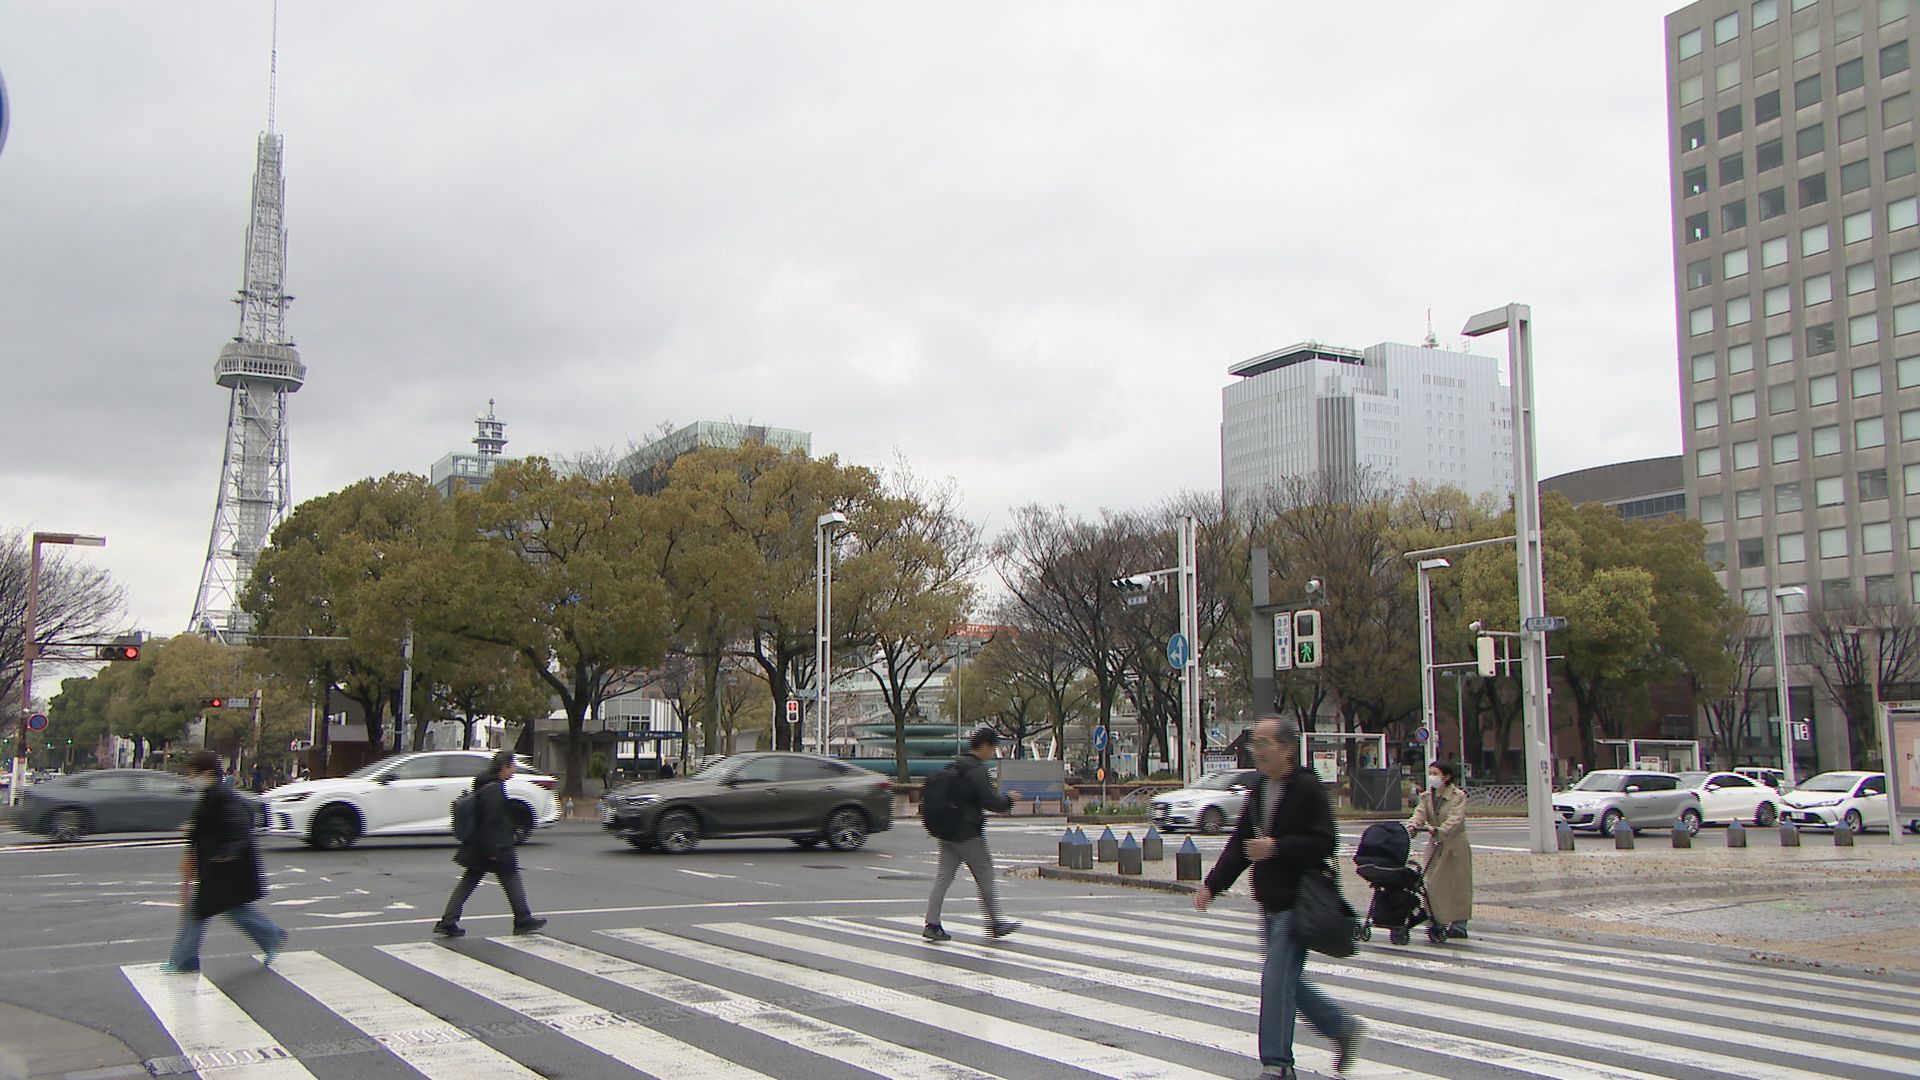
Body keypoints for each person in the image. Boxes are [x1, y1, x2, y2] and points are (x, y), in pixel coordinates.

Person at [1194, 717, 1362, 1080]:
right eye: (1254, 743)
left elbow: (1324, 842)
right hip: (1269, 900)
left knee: (1275, 980)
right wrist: (1212, 885)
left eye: (1264, 743)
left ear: (1286, 748)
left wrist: (1277, 847)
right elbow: (1240, 843)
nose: (1256, 750)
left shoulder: (1306, 789)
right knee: (1285, 980)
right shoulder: (1259, 790)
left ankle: (1277, 1065)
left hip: (1298, 899)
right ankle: (1340, 1026)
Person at [161, 752, 287, 973]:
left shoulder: (221, 797)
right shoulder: (214, 795)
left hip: (225, 867)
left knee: (198, 913)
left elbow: (238, 828)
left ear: (207, 773)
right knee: (233, 909)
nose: (191, 778)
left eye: (193, 774)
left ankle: (184, 961)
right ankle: (272, 936)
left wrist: (225, 854)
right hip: (224, 867)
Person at [434, 751, 546, 938]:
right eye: (512, 766)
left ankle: (448, 921)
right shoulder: (494, 790)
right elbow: (491, 821)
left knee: (470, 882)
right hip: (494, 846)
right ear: (504, 767)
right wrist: (492, 850)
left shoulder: (484, 784)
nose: (514, 769)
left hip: (479, 845)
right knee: (510, 876)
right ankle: (522, 919)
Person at [923, 726, 1020, 942]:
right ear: (985, 746)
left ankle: (932, 923)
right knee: (985, 874)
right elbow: (991, 801)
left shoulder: (956, 765)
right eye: (992, 749)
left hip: (946, 831)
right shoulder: (976, 770)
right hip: (967, 833)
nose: (992, 753)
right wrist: (1009, 799)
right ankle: (995, 923)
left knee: (943, 877)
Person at [1406, 759, 1472, 941]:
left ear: (1447, 776)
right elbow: (1419, 813)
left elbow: (1456, 819)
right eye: (1430, 773)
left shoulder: (1458, 796)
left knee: (1457, 885)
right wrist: (1413, 826)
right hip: (1435, 844)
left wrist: (1441, 829)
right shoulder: (1427, 797)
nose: (1431, 777)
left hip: (1454, 845)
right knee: (1433, 883)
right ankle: (1438, 920)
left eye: (1435, 773)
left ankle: (1459, 923)